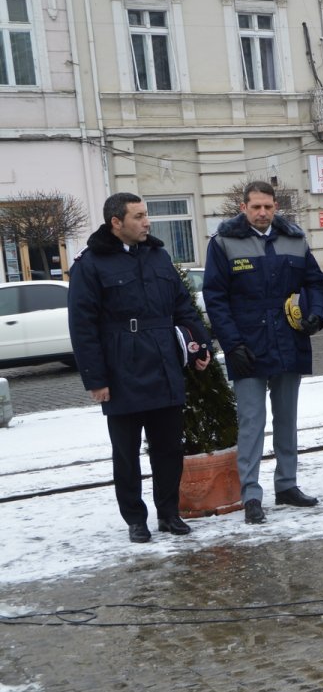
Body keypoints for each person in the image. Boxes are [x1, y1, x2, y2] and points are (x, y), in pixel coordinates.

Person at [68, 192, 213, 543]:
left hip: (164, 362)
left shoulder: (159, 256)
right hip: (121, 370)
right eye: (138, 216)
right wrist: (96, 379)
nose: (147, 222)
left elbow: (183, 307)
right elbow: (82, 327)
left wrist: (199, 346)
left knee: (168, 449)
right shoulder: (91, 265)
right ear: (116, 223)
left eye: (146, 215)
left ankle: (169, 513)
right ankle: (135, 519)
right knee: (126, 453)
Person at [204, 181, 323, 525]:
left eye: (268, 207)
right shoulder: (224, 243)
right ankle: (251, 494)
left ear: (276, 208)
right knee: (251, 423)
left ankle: (287, 485)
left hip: (289, 343)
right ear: (243, 208)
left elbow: (316, 282)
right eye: (255, 207)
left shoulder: (295, 239)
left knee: (287, 420)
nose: (262, 213)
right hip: (248, 348)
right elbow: (215, 298)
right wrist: (232, 345)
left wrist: (316, 313)